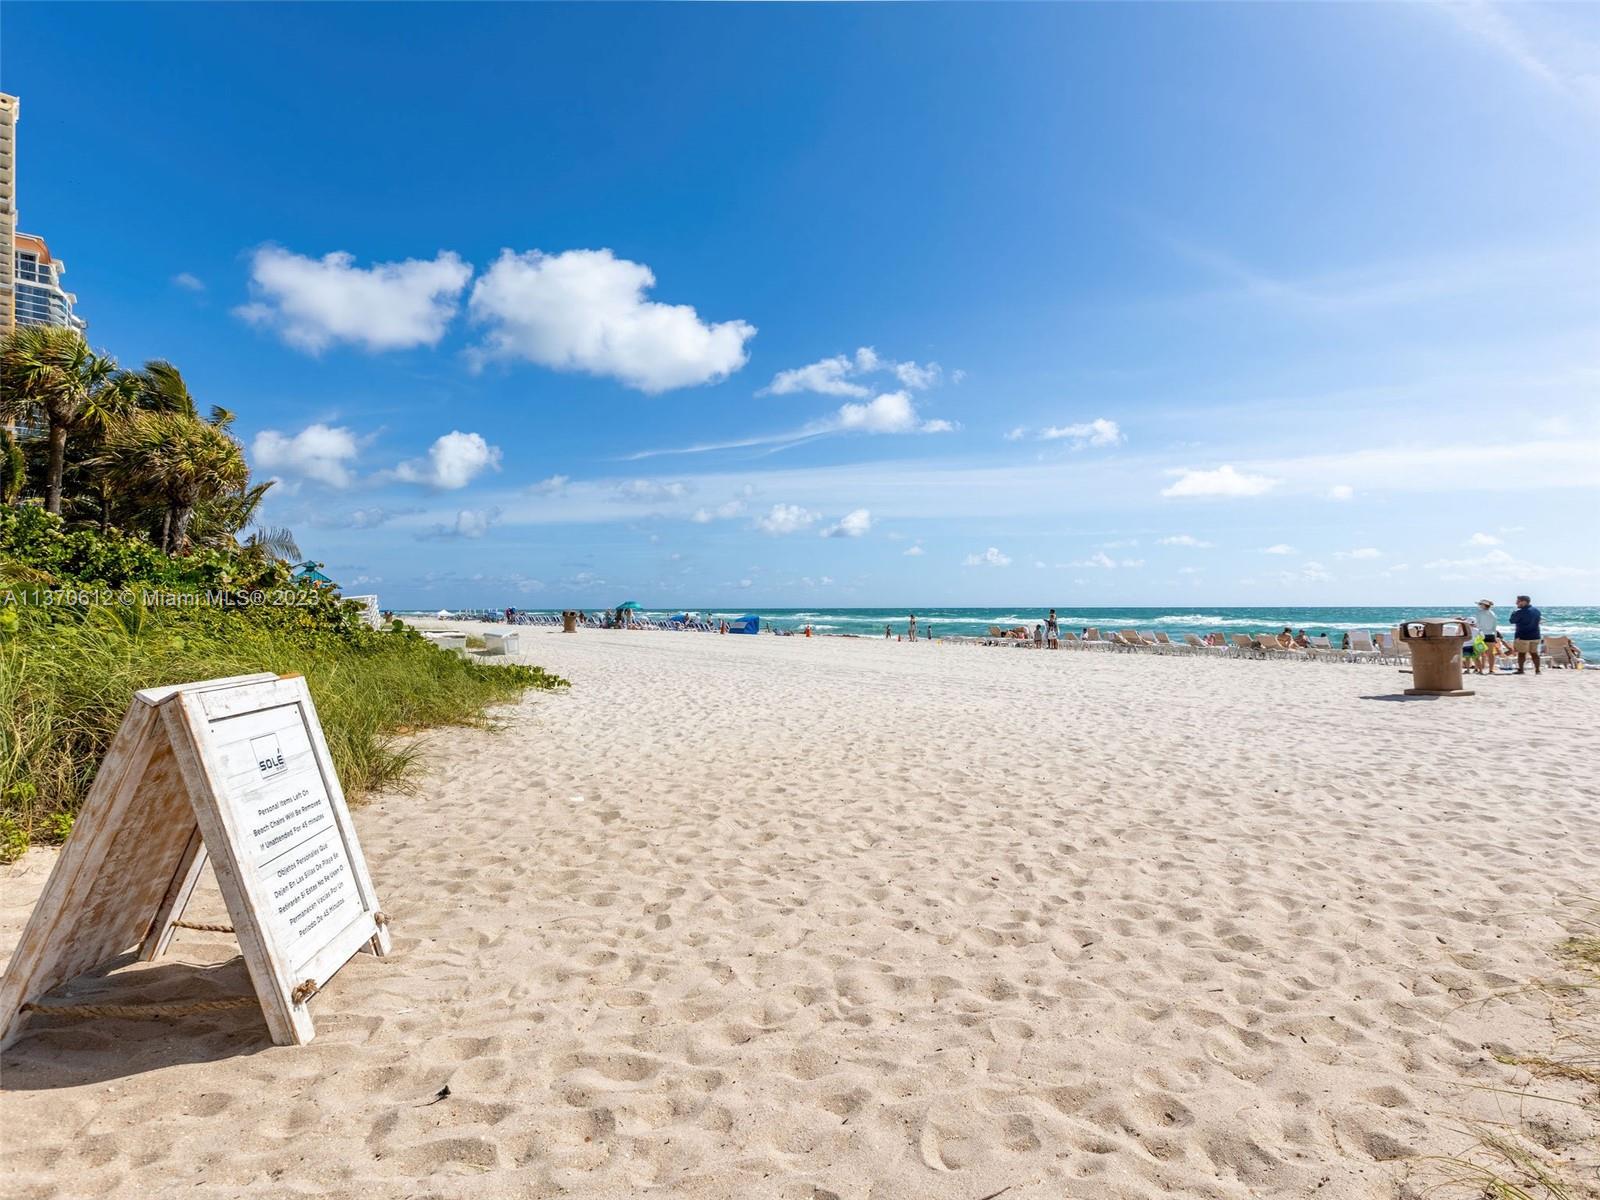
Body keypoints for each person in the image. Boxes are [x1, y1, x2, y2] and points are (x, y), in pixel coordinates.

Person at [1509, 595, 1542, 675]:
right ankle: (1537, 670)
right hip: (1535, 635)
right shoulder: (1537, 611)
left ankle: (1521, 670)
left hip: (1523, 636)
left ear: (1524, 602)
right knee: (1534, 653)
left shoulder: (1520, 612)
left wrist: (1513, 613)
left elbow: (1512, 621)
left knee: (1522, 653)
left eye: (1518, 601)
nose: (1516, 603)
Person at [1474, 600, 1499, 674]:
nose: (1479, 606)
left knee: (1478, 653)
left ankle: (1479, 669)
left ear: (1484, 605)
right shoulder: (1493, 614)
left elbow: (1477, 624)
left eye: (1480, 604)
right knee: (1490, 654)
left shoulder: (1479, 613)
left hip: (1481, 635)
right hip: (1491, 634)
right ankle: (1491, 670)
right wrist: (1495, 637)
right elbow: (1494, 627)